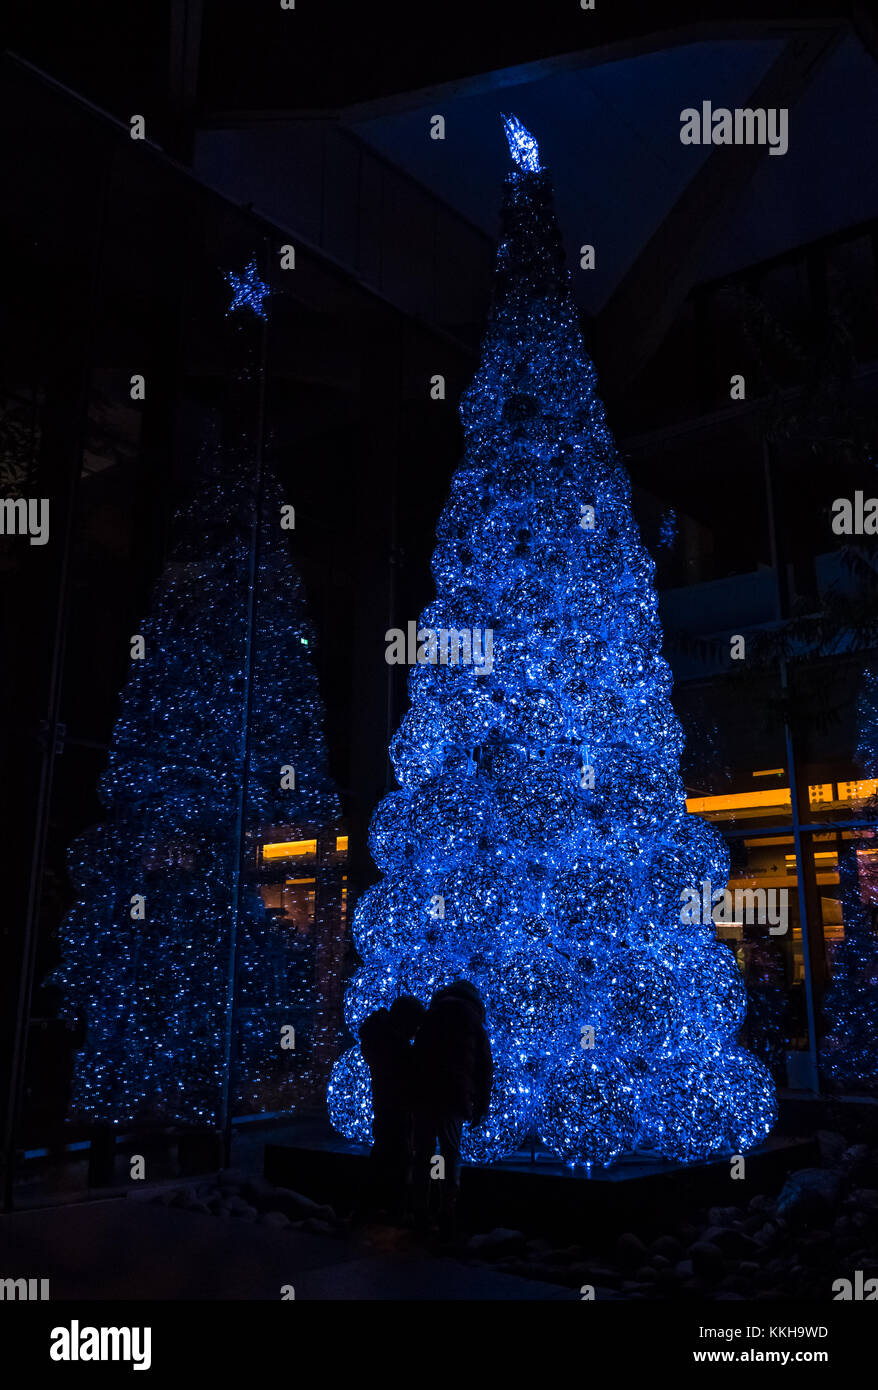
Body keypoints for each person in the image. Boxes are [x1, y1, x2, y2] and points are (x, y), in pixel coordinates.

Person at [412, 979, 493, 1231]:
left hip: (425, 1093)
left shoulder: (430, 1017)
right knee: (449, 1153)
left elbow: (416, 1056)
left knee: (423, 1153)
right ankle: (446, 1210)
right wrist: (481, 1105)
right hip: (454, 1096)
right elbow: (484, 1069)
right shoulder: (473, 1022)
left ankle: (419, 1210)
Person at [358, 994, 426, 1219]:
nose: (416, 1032)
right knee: (397, 1155)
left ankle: (373, 1206)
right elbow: (411, 1073)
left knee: (384, 1153)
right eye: (415, 1025)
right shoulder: (395, 1046)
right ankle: (392, 1209)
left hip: (386, 1107)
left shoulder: (379, 1037)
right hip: (396, 1108)